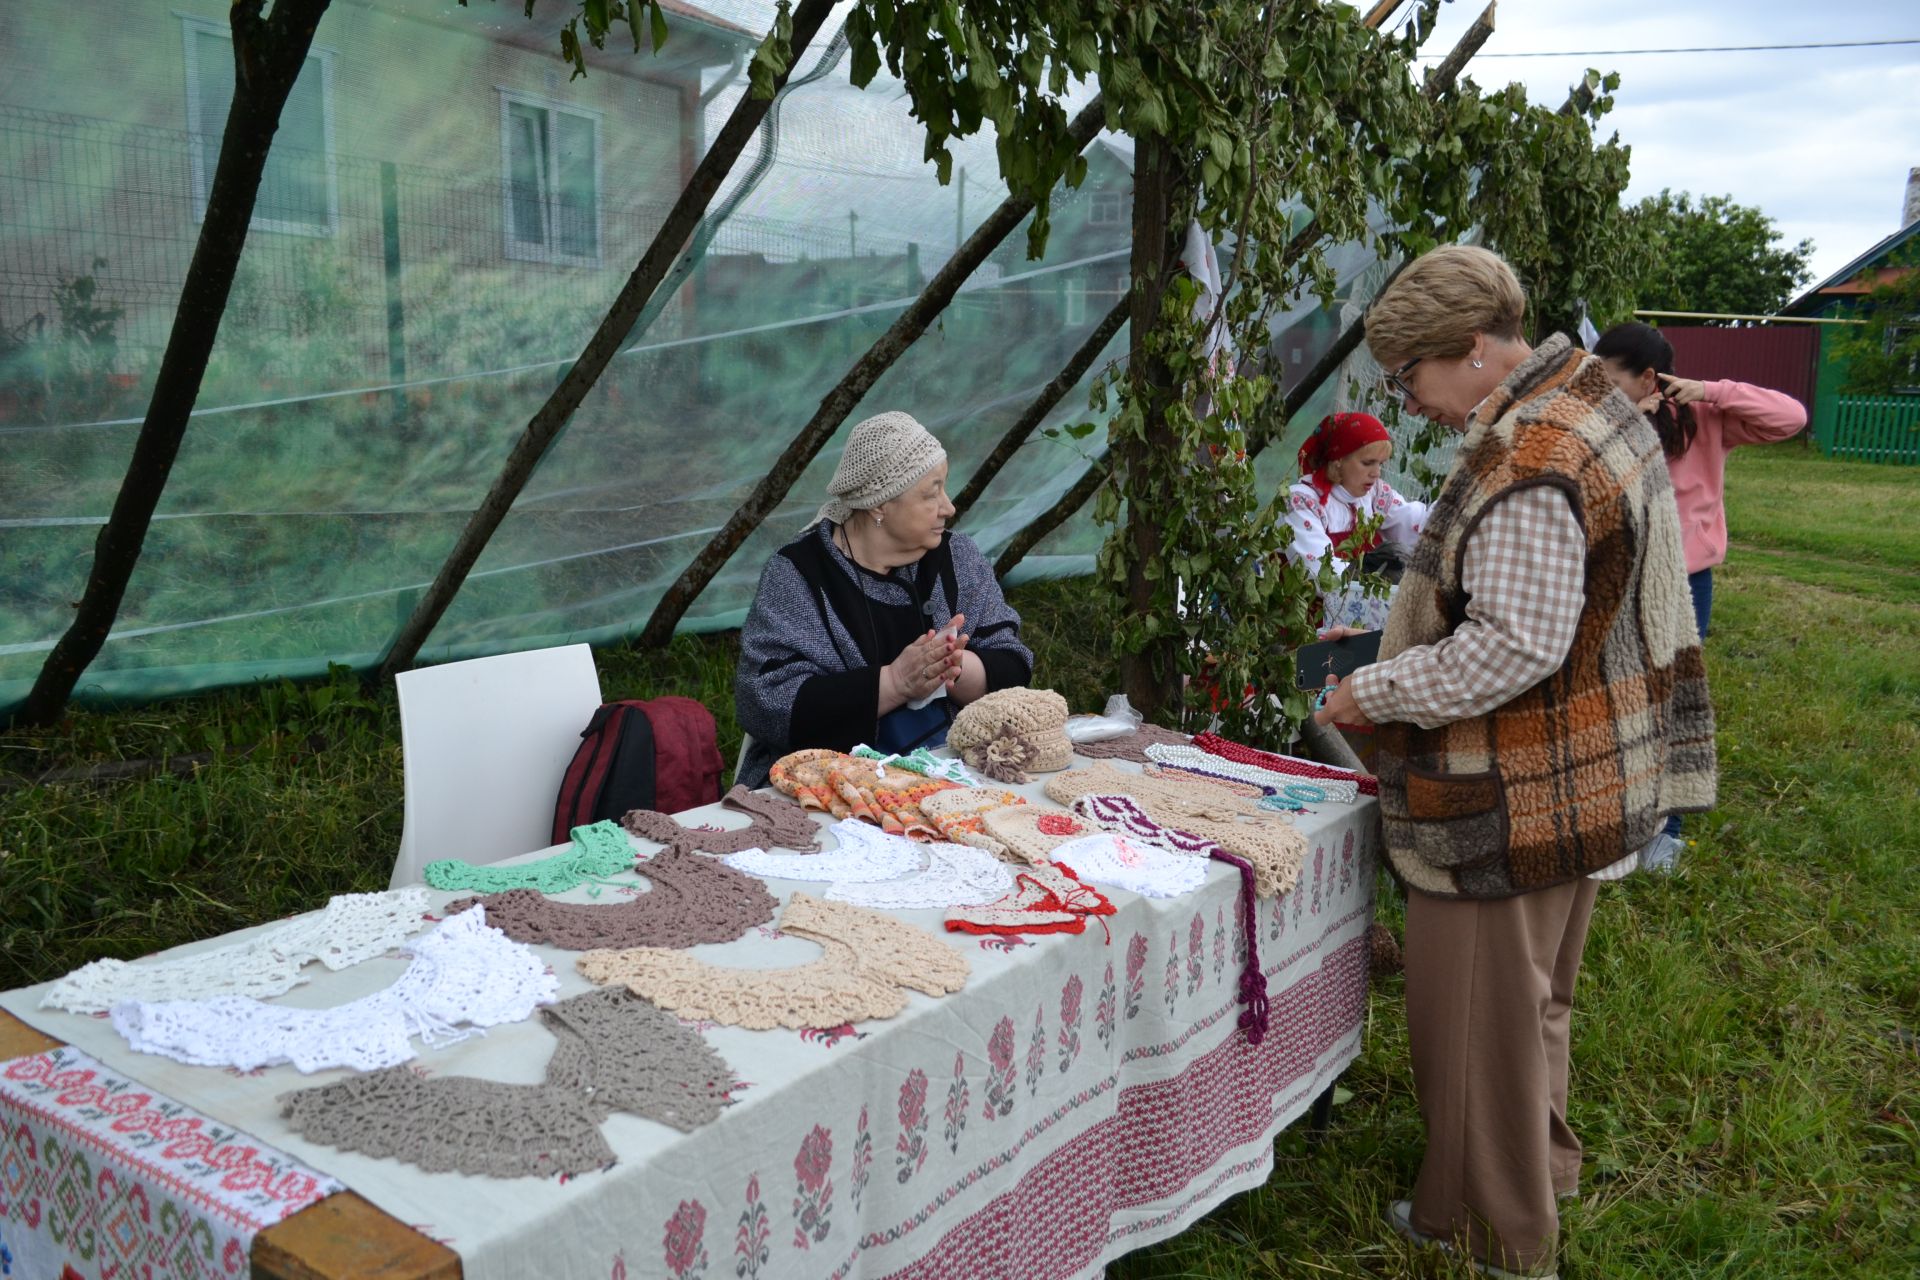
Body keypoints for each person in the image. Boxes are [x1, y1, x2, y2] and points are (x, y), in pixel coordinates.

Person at [1315, 245, 1717, 1279]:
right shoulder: (1591, 397)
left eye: (1413, 377)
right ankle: (1535, 1170)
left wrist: (1376, 690)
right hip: (1585, 766)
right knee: (1534, 1004)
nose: (1414, 403)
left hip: (1515, 790)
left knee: (1478, 1024)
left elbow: (1513, 643)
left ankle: (1496, 1234)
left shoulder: (1533, 447)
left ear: (1474, 351)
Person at [1592, 322, 1802, 869]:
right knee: (1611, 695)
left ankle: (1666, 830)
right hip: (1615, 578)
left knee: (1668, 697)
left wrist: (1710, 390)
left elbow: (1791, 417)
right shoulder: (1602, 423)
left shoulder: (1704, 418)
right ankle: (1611, 817)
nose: (1599, 388)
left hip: (1683, 582)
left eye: (1610, 379)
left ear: (1648, 378)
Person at [734, 411, 1034, 789]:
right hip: (822, 789)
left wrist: (954, 667)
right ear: (879, 504)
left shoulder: (958, 559)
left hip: (953, 777)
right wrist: (894, 682)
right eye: (931, 493)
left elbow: (1013, 663)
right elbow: (765, 702)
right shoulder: (799, 574)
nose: (949, 507)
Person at [1284, 411, 1428, 631]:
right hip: (1309, 622)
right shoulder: (1301, 500)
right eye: (1368, 463)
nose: (1376, 473)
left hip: (1355, 617)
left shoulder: (1373, 495)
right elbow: (1319, 573)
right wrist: (1374, 576)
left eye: (1381, 464)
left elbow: (1413, 523)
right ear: (1338, 460)